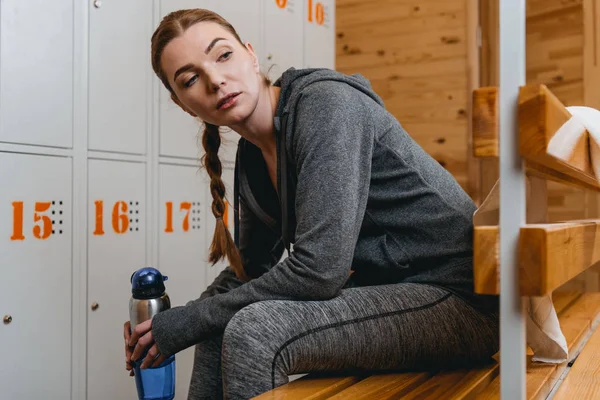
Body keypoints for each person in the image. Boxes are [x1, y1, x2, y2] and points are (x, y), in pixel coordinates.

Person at [124, 8, 500, 399]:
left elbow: (320, 271)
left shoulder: (325, 105)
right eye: (190, 79)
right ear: (182, 102)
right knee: (216, 323)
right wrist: (168, 325)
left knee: (253, 329)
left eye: (223, 56)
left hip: (460, 301)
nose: (215, 80)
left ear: (250, 55)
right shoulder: (254, 160)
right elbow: (249, 271)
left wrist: (190, 321)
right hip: (397, 295)